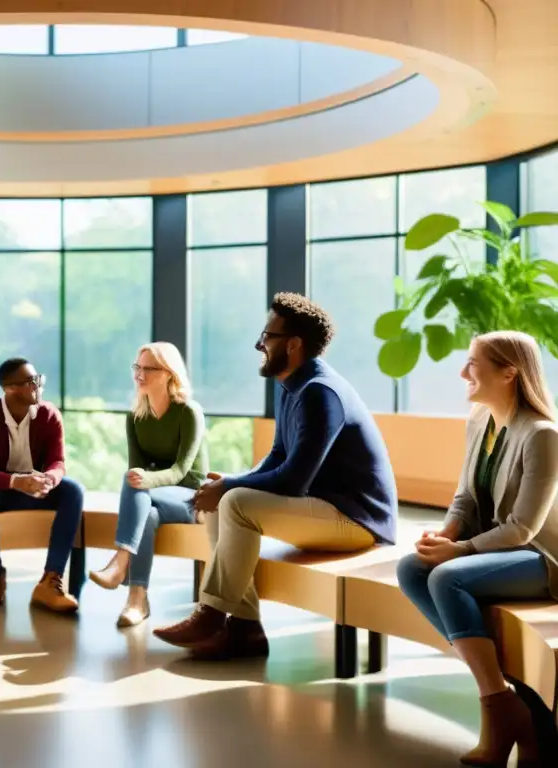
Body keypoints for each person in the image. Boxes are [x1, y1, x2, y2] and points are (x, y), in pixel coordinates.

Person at [153, 292, 397, 658]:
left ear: (294, 344)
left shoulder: (319, 393)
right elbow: (278, 456)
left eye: (267, 336)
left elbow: (294, 480)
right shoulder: (291, 385)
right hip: (325, 509)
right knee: (224, 499)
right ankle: (244, 627)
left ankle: (213, 613)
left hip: (359, 521)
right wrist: (231, 481)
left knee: (232, 499)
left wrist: (233, 486)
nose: (260, 344)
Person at [395, 332, 558, 767]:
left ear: (509, 373)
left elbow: (523, 528)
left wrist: (460, 551)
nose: (463, 372)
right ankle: (505, 699)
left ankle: (499, 708)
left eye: (473, 363)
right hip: (493, 547)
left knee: (448, 576)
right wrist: (447, 535)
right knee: (413, 568)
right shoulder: (479, 420)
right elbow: (466, 496)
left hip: (542, 557)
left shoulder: (542, 435)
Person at [89, 342, 208, 627]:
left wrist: (146, 480)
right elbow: (135, 467)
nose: (139, 374)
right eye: (137, 368)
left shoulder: (189, 412)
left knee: (136, 484)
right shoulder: (135, 417)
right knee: (147, 513)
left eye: (149, 369)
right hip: (152, 496)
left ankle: (120, 562)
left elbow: (182, 471)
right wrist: (143, 480)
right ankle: (136, 600)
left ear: (169, 373)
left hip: (192, 496)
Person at [0, 358, 84, 613]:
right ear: (10, 389)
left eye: (38, 379)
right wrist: (15, 481)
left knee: (73, 491)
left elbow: (57, 461)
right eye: (31, 382)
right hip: (1, 490)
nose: (38, 386)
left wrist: (50, 479)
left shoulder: (48, 413)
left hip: (36, 486)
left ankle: (51, 579)